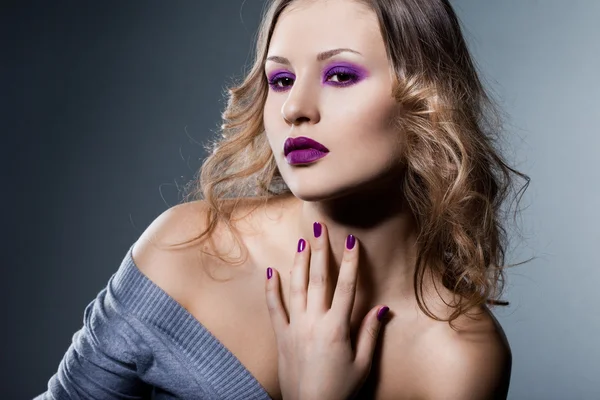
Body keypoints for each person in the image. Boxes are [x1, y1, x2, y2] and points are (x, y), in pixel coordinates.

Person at [36, 0, 528, 398]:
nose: (294, 108)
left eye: (339, 75)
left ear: (428, 98)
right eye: (281, 79)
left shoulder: (458, 357)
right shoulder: (190, 248)